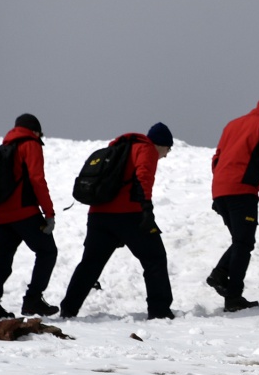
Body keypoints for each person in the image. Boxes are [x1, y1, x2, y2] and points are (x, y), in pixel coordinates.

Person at [59, 123, 176, 320]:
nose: (166, 154)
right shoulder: (146, 148)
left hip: (98, 215)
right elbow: (143, 177)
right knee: (154, 258)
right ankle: (160, 311)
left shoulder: (118, 148)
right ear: (161, 144)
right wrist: (146, 209)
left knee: (90, 264)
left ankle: (68, 309)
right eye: (168, 149)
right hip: (129, 214)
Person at [206, 95, 259, 312]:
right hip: (242, 191)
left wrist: (217, 191)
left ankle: (221, 278)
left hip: (221, 190)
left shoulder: (232, 124)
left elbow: (217, 158)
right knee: (244, 243)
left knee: (240, 241)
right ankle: (233, 296)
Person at [0, 114, 58, 317]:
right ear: (35, 131)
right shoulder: (30, 144)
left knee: (0, 262)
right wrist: (49, 213)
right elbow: (37, 180)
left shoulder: (3, 149)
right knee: (47, 251)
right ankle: (33, 300)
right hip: (24, 213)